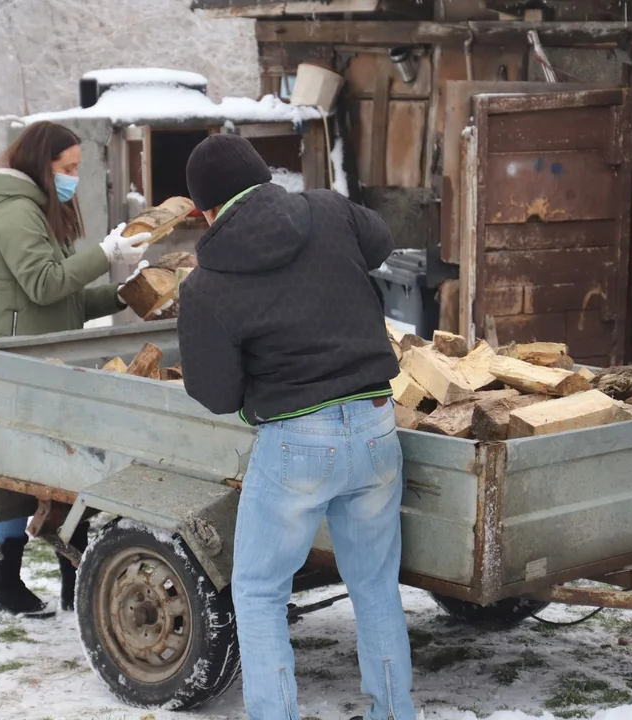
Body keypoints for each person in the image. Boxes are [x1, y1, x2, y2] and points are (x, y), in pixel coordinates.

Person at [177, 134, 416, 720]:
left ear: (205, 210)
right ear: (266, 177)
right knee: (377, 588)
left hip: (297, 444)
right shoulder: (328, 210)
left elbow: (213, 393)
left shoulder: (205, 284)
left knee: (258, 595)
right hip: (376, 424)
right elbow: (381, 239)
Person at [0, 120, 150, 618]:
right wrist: (105, 255)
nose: (74, 176)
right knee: (21, 474)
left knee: (60, 467)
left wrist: (126, 290)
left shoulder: (37, 212)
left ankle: (70, 581)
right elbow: (46, 285)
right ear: (40, 165)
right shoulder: (14, 214)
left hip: (49, 357)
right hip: (21, 360)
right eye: (67, 168)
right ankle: (4, 583)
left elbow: (65, 301)